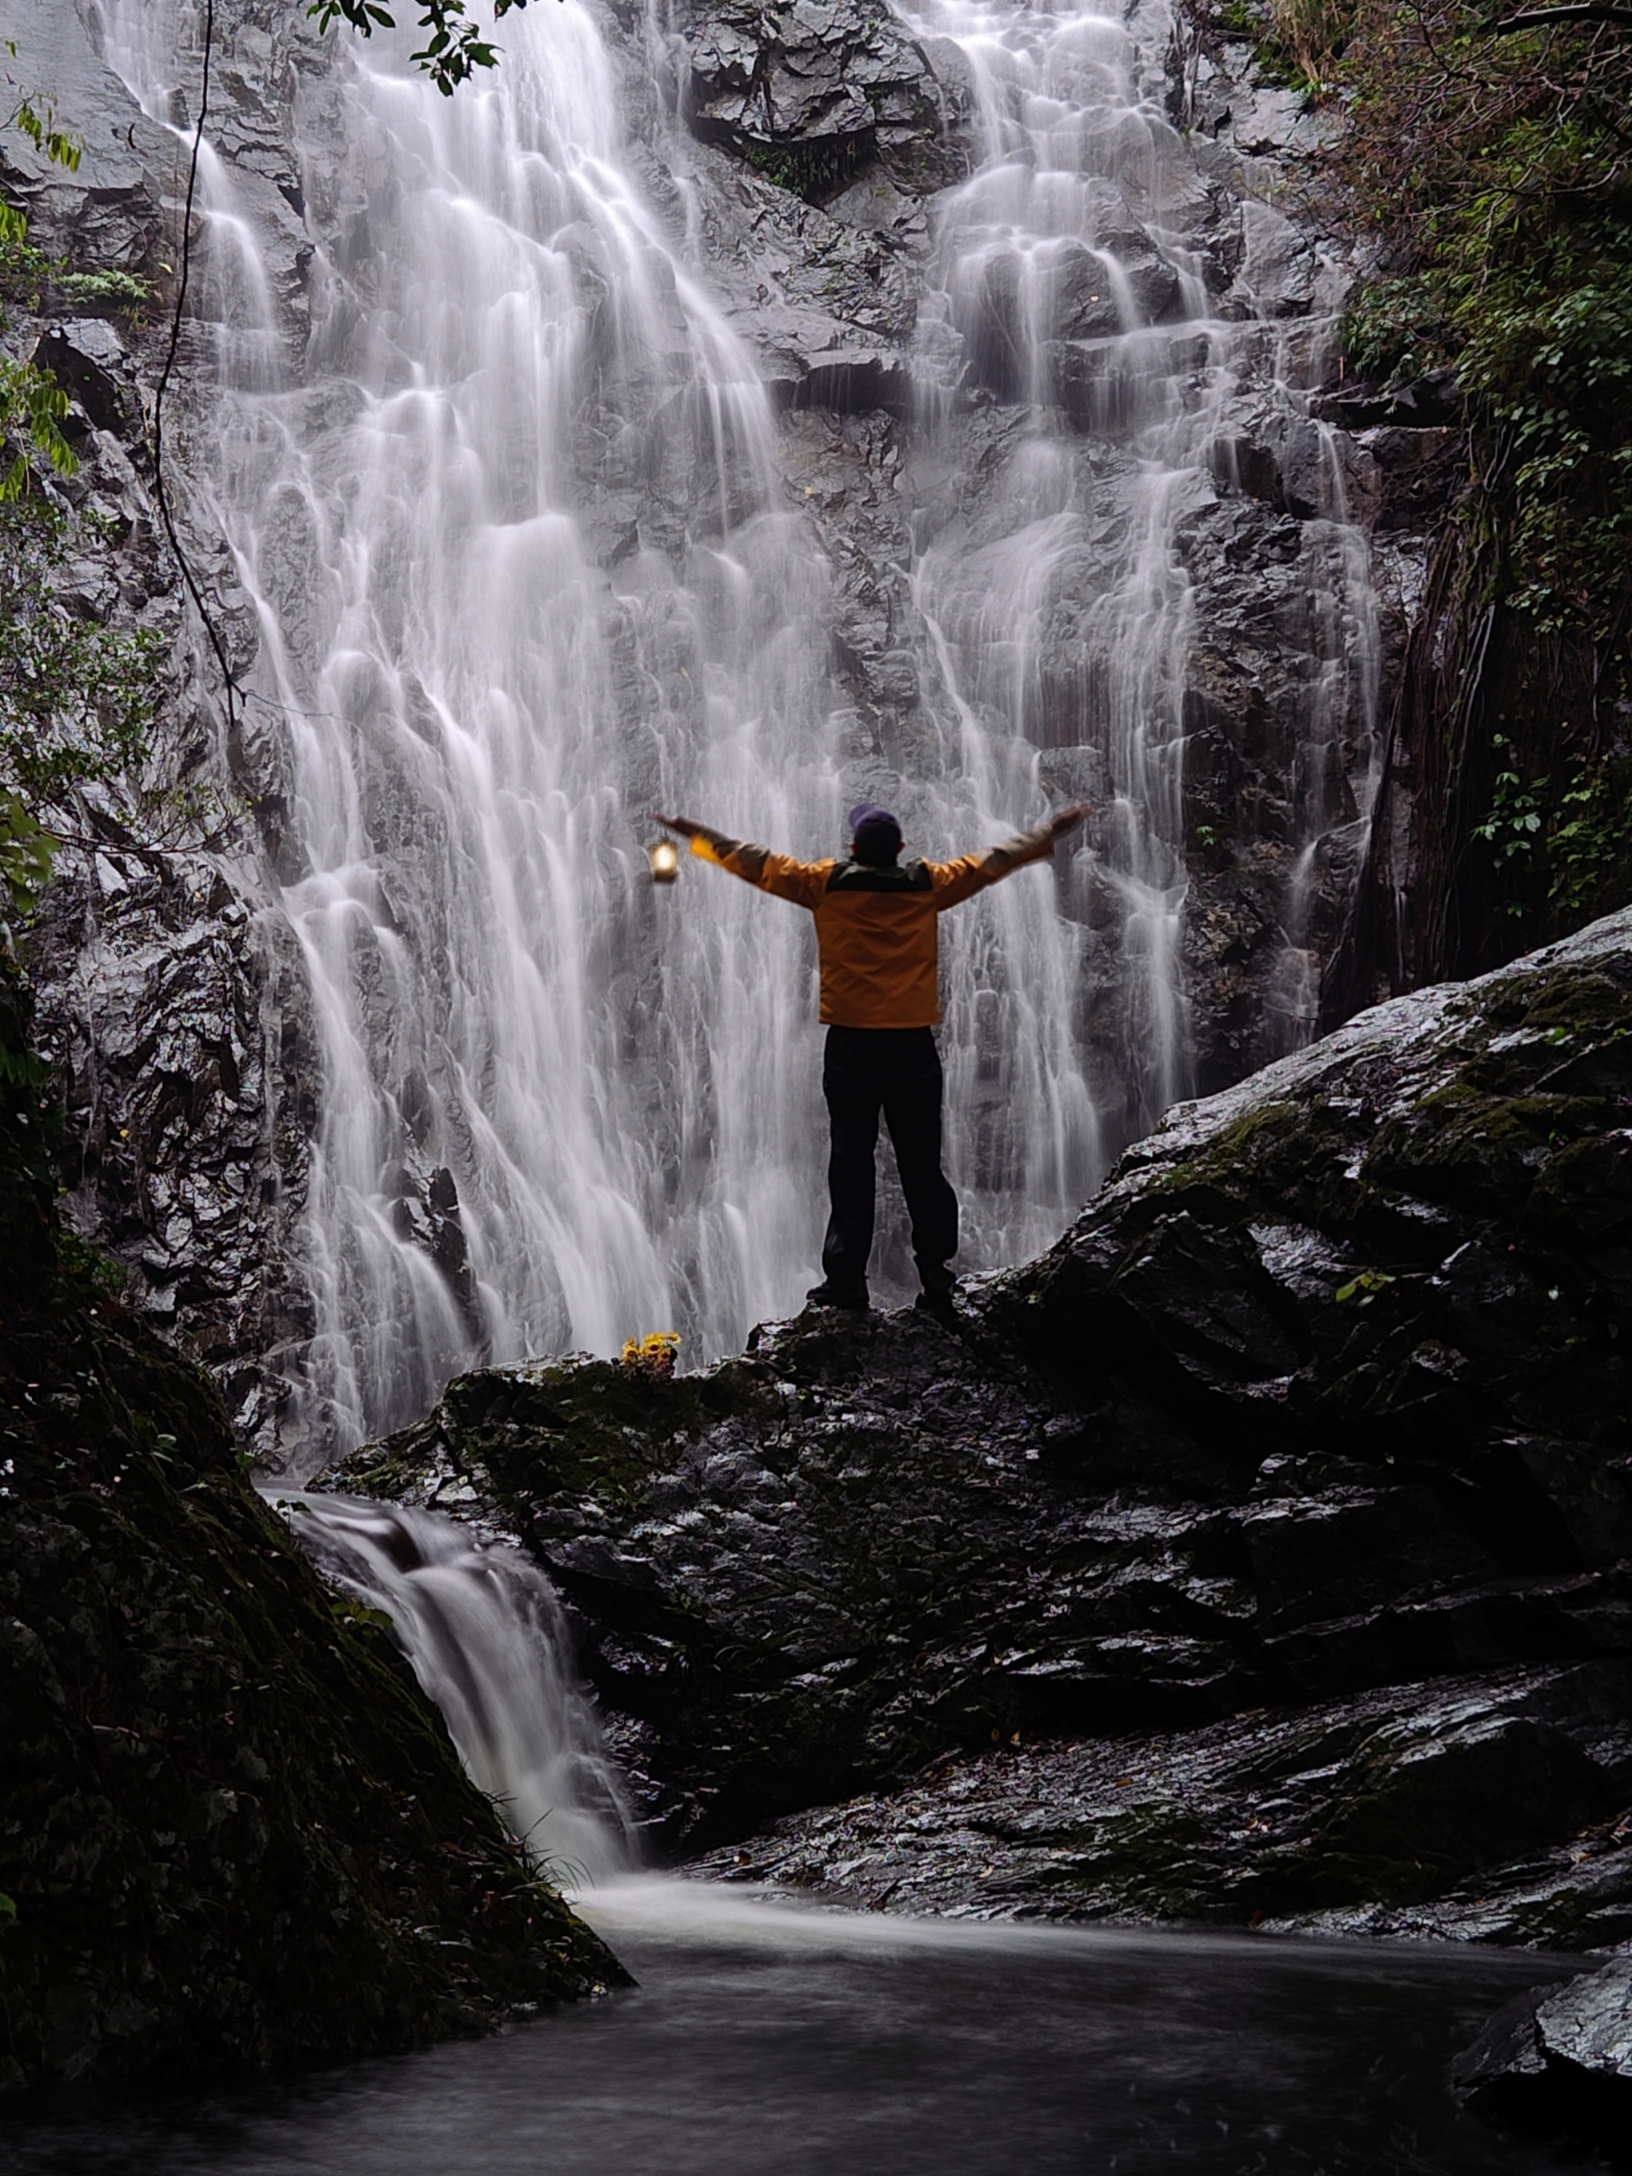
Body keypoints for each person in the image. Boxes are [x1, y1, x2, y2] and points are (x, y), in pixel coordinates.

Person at [651, 798, 1091, 1328]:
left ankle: (846, 1283)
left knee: (851, 1162)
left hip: (853, 1045)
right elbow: (995, 861)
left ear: (853, 848)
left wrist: (691, 831)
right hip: (911, 1046)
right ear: (900, 850)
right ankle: (935, 1275)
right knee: (922, 1163)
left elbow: (752, 861)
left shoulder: (823, 883)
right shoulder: (929, 883)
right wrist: (1053, 830)